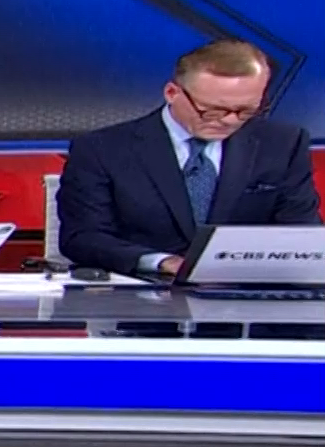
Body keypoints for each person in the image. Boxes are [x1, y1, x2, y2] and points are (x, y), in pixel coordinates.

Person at [57, 40, 322, 277]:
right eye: (212, 110)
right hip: (143, 294)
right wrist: (163, 262)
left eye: (246, 111)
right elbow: (83, 238)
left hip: (248, 295)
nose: (229, 121)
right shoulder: (102, 149)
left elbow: (302, 232)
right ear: (172, 93)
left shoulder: (283, 144)